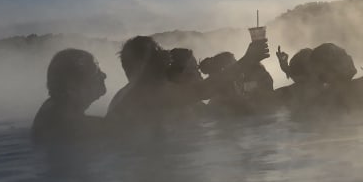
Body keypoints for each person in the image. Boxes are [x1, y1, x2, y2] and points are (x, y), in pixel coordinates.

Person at [106, 36, 270, 125]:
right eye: (159, 52)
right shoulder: (145, 93)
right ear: (146, 64)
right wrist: (247, 60)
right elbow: (200, 91)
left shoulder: (131, 93)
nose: (166, 56)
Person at [31, 48, 107, 146]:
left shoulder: (50, 108)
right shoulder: (73, 127)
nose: (104, 75)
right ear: (72, 87)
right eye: (97, 72)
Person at [200, 50, 275, 115]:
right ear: (226, 69)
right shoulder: (219, 98)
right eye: (234, 63)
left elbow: (266, 86)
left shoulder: (241, 83)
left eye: (236, 61)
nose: (239, 66)